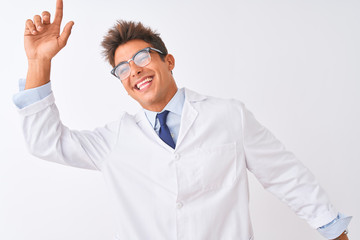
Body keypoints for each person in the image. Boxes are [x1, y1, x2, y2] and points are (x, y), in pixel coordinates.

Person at [14, 0, 352, 239]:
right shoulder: (114, 140)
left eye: (142, 57)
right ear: (123, 84)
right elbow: (45, 142)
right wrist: (38, 63)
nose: (135, 70)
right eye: (122, 68)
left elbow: (284, 175)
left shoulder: (227, 115)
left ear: (169, 60)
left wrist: (333, 230)